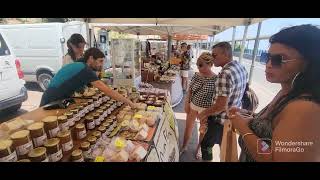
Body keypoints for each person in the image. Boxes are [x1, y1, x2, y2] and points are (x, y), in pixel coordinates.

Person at [229, 24, 320, 162]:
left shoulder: (303, 108)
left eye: (279, 59)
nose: (269, 64)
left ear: (307, 62)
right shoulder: (287, 92)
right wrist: (252, 119)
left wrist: (243, 128)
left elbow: (273, 157)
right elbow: (275, 128)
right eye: (267, 57)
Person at [198, 42, 248, 161]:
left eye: (214, 56)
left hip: (219, 120)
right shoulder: (240, 67)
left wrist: (204, 113)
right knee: (225, 147)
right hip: (232, 118)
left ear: (225, 54)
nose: (212, 58)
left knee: (206, 145)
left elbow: (220, 105)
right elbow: (244, 90)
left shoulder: (224, 74)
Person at [40, 48, 136, 109]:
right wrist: (129, 103)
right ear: (91, 58)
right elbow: (107, 90)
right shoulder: (84, 69)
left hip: (60, 98)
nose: (101, 65)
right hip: (51, 99)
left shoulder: (81, 65)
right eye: (100, 61)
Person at [180, 52, 217, 159]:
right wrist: (186, 104)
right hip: (193, 105)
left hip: (206, 109)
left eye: (201, 65)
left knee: (202, 131)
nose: (198, 67)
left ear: (210, 64)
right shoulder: (196, 75)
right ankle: (184, 146)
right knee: (188, 127)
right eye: (197, 65)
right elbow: (189, 91)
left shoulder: (216, 79)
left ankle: (198, 149)